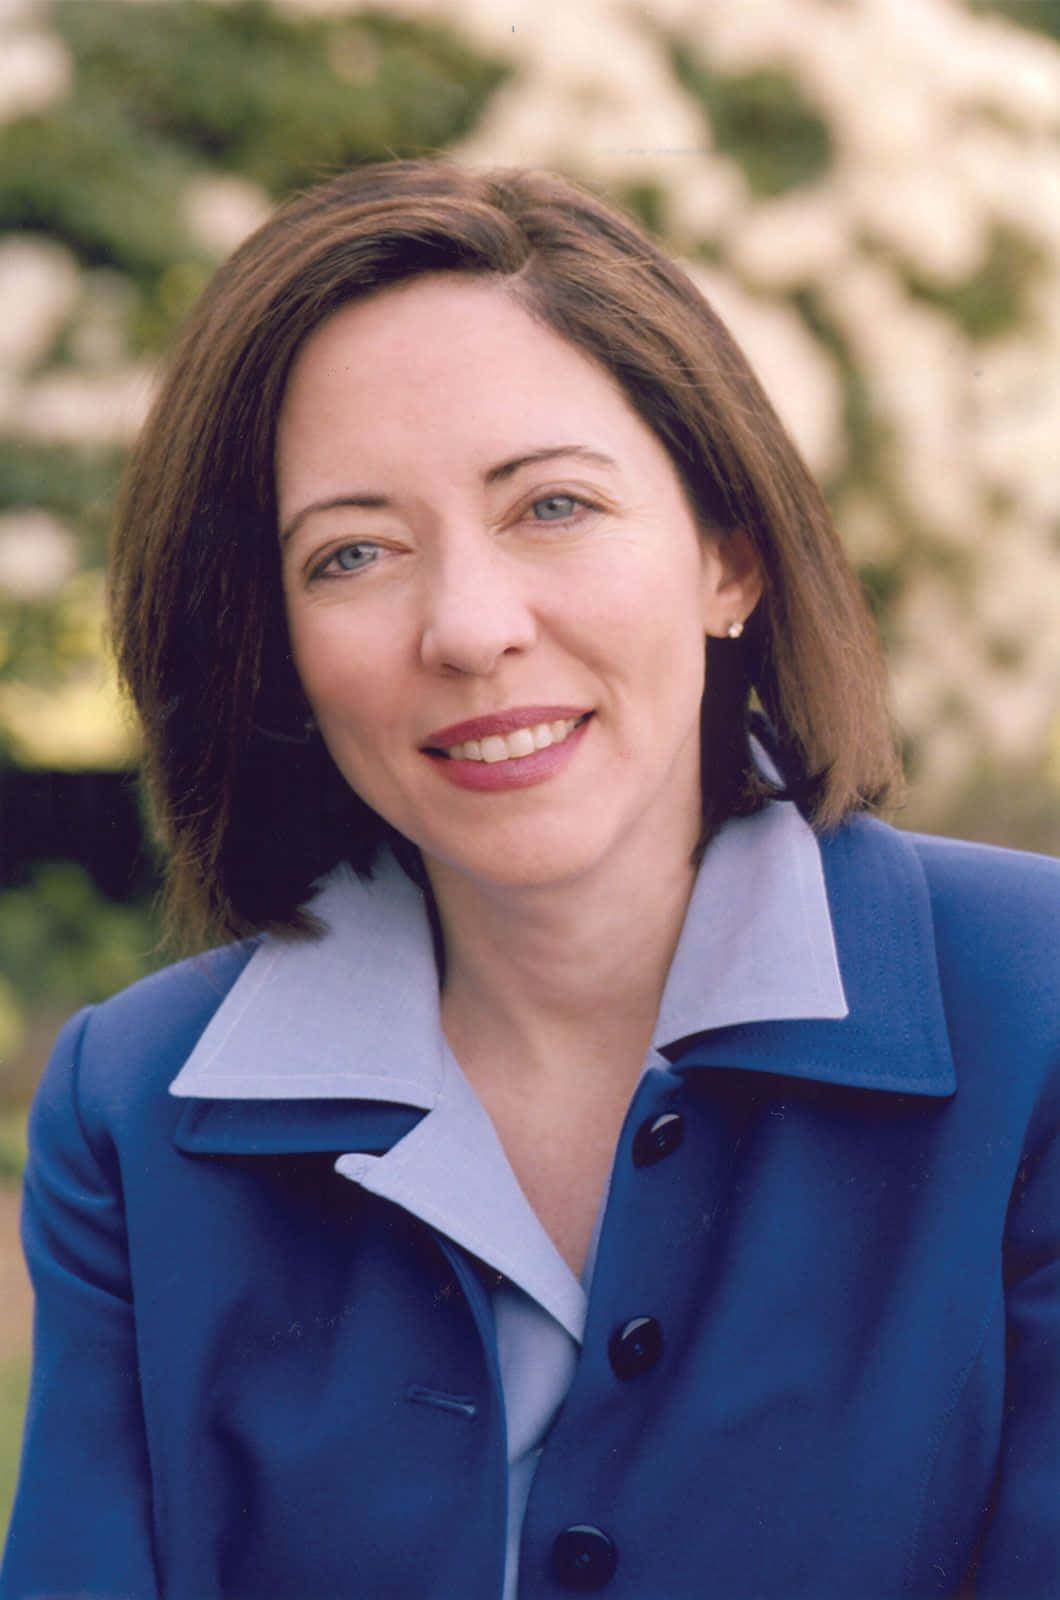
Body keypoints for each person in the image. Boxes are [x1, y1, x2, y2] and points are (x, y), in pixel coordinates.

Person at [1, 160, 1057, 1600]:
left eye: (552, 506)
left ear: (727, 557)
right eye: (352, 553)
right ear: (281, 653)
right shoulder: (135, 1110)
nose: (470, 627)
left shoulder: (1036, 1009)